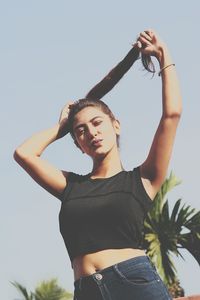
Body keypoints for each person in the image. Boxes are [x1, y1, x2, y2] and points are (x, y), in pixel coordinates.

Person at [14, 29, 182, 300]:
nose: (91, 133)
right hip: (86, 291)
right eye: (80, 131)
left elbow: (171, 115)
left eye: (96, 123)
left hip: (135, 283)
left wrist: (164, 56)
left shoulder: (143, 179)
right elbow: (24, 153)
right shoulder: (70, 185)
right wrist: (61, 127)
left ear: (115, 125)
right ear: (78, 145)